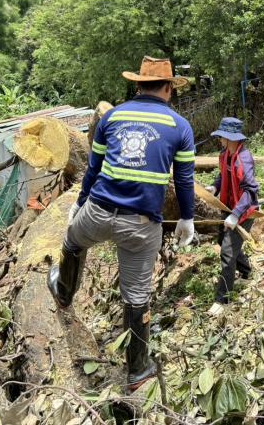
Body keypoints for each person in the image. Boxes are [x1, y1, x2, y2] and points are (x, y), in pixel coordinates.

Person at [47, 56, 196, 391]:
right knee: (137, 295)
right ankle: (138, 371)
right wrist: (187, 218)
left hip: (98, 212)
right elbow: (184, 180)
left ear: (138, 85)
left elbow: (93, 168)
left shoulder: (112, 116)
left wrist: (80, 203)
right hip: (141, 225)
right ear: (169, 89)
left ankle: (63, 292)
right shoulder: (180, 127)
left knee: (72, 242)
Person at [205, 117, 259, 316]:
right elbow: (223, 175)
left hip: (243, 211)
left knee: (227, 252)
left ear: (230, 138)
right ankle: (246, 271)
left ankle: (223, 299)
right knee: (223, 241)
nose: (220, 140)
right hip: (228, 207)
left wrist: (236, 215)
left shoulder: (244, 158)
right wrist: (215, 187)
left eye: (222, 137)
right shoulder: (225, 154)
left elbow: (250, 191)